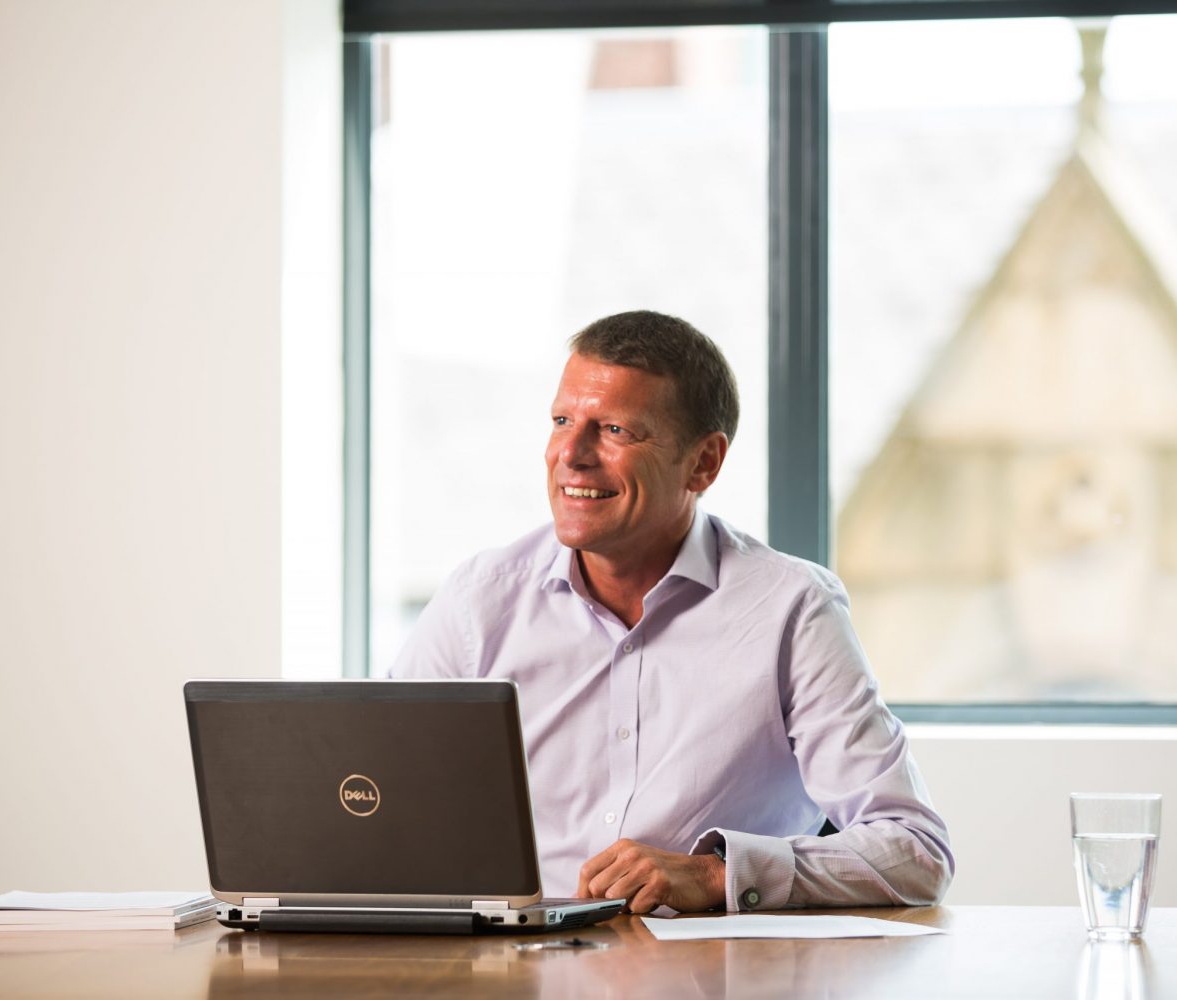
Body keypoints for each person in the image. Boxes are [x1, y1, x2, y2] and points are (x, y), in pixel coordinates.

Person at [390, 310, 954, 914]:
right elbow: (374, 798)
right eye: (561, 421)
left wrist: (717, 875)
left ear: (704, 463)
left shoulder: (791, 609)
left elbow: (914, 852)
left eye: (614, 429)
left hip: (707, 974)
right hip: (512, 969)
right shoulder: (482, 598)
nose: (571, 455)